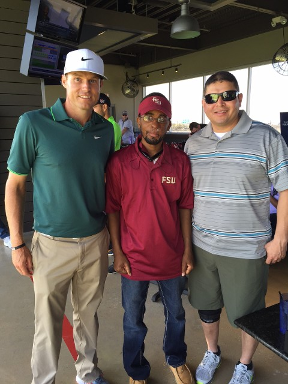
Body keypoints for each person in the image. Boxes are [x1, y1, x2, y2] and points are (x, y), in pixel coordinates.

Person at [5, 48, 114, 384]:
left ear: (99, 86)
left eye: (93, 80)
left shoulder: (106, 130)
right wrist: (18, 244)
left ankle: (86, 373)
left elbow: (110, 184)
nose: (86, 87)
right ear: (64, 80)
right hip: (51, 244)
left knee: (88, 317)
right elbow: (15, 186)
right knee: (47, 323)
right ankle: (45, 380)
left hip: (95, 241)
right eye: (79, 79)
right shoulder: (34, 123)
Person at [184, 71, 288, 384]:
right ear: (204, 103)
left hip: (247, 249)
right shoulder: (193, 143)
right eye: (212, 97)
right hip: (202, 245)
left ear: (239, 99)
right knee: (206, 307)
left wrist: (281, 236)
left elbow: (285, 188)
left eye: (228, 95)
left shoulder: (266, 137)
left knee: (248, 315)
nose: (220, 103)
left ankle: (244, 364)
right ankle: (212, 351)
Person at [105, 93, 195, 384]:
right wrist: (117, 253)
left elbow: (184, 207)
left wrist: (187, 250)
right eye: (148, 117)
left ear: (168, 123)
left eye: (161, 118)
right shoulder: (120, 162)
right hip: (133, 258)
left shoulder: (180, 161)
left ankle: (176, 359)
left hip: (171, 255)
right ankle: (136, 370)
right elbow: (114, 210)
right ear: (138, 120)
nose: (155, 124)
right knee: (132, 320)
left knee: (177, 315)